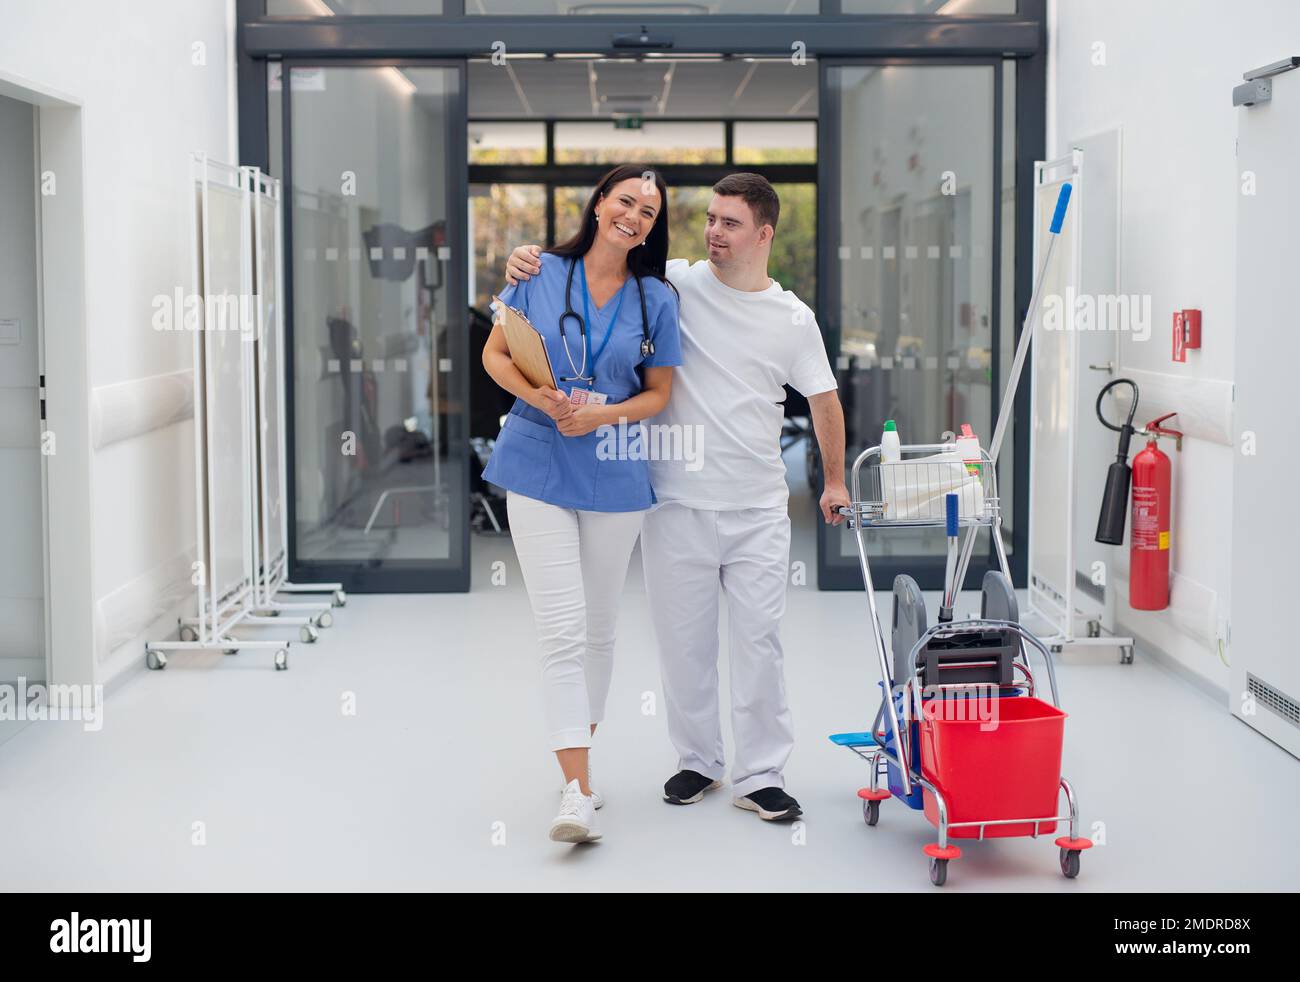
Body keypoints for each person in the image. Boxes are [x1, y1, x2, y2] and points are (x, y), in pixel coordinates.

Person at [506, 173, 848, 824]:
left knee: (759, 643)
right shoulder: (675, 286)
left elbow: (823, 399)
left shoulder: (792, 318)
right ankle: (698, 761)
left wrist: (833, 481)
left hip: (755, 510)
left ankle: (761, 774)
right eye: (711, 220)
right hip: (675, 503)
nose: (714, 232)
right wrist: (527, 259)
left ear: (764, 234)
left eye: (731, 223)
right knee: (684, 645)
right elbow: (595, 259)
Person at [481, 165, 683, 844]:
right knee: (562, 631)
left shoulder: (656, 298)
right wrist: (540, 398)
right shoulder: (537, 271)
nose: (634, 215)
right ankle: (578, 789)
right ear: (599, 204)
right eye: (625, 200)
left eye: (649, 211)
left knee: (599, 632)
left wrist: (603, 417)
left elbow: (658, 395)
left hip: (615, 470)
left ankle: (576, 758)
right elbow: (495, 353)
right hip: (537, 461)